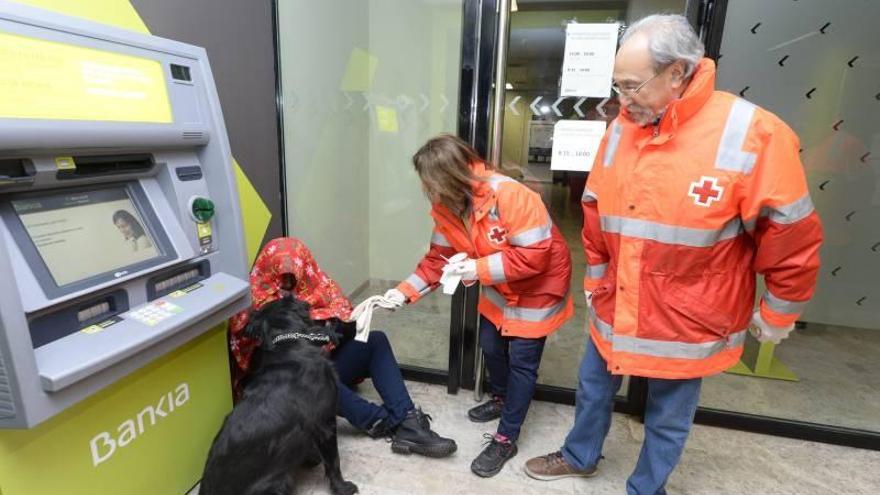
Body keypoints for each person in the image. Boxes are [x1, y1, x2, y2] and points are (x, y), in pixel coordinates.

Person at [523, 15, 823, 494]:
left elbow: (792, 234)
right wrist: (597, 277)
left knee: (668, 414)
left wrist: (780, 310)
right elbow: (597, 206)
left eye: (632, 86)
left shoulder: (753, 133)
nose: (622, 100)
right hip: (616, 298)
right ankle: (581, 455)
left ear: (677, 73)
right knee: (593, 387)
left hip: (690, 313)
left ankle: (647, 488)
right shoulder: (625, 125)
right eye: (616, 86)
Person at [383, 134, 574, 477]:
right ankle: (501, 398)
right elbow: (437, 260)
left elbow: (535, 257)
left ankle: (506, 437)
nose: (427, 190)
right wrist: (403, 292)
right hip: (500, 287)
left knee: (522, 363)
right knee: (491, 346)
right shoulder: (447, 207)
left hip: (537, 289)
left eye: (430, 181)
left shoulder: (513, 195)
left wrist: (476, 268)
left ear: (452, 175)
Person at [229, 237, 457, 458]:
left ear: (305, 269)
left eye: (293, 279)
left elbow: (345, 318)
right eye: (282, 280)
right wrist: (310, 333)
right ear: (268, 272)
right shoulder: (253, 301)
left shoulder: (317, 284)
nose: (288, 289)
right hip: (289, 384)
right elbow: (253, 356)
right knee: (314, 374)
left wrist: (333, 325)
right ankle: (385, 422)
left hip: (322, 361)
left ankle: (406, 418)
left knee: (374, 341)